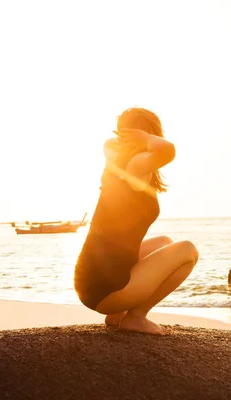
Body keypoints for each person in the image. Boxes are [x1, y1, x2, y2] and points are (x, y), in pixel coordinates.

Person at [74, 107, 199, 335]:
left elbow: (111, 142)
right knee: (188, 251)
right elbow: (168, 151)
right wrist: (146, 138)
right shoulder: (136, 164)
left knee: (164, 242)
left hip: (91, 284)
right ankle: (136, 318)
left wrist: (133, 137)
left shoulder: (113, 158)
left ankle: (116, 315)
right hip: (107, 290)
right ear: (152, 134)